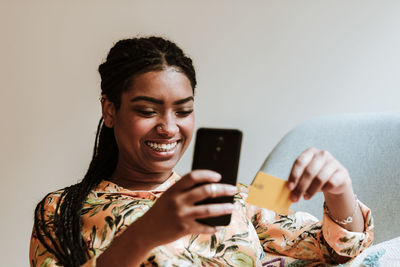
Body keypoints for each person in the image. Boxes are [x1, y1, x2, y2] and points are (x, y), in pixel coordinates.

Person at [30, 36, 373, 267]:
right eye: (147, 111)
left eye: (183, 111)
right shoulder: (58, 209)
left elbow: (342, 249)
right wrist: (146, 234)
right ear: (109, 110)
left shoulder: (243, 191)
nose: (168, 127)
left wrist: (340, 190)